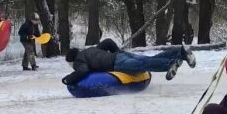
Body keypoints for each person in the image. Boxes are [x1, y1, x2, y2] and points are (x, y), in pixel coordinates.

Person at [62, 38, 195, 86]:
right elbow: (108, 42)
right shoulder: (90, 50)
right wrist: (117, 52)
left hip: (117, 63)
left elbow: (83, 70)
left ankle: (169, 64)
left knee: (144, 64)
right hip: (121, 55)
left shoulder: (79, 61)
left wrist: (68, 79)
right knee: (148, 59)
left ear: (72, 60)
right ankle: (180, 52)